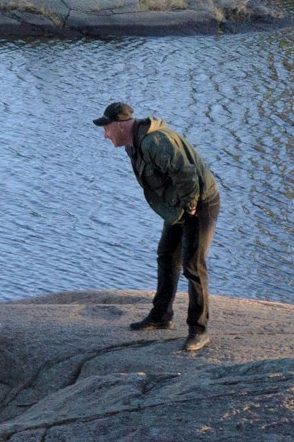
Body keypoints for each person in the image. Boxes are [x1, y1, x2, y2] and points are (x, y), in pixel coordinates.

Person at [95, 101, 222, 353]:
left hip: (199, 203)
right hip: (178, 206)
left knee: (193, 266)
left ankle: (199, 330)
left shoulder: (154, 142)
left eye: (108, 128)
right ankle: (161, 316)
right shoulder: (133, 144)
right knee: (166, 255)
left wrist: (191, 206)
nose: (105, 134)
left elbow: (185, 174)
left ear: (121, 126)